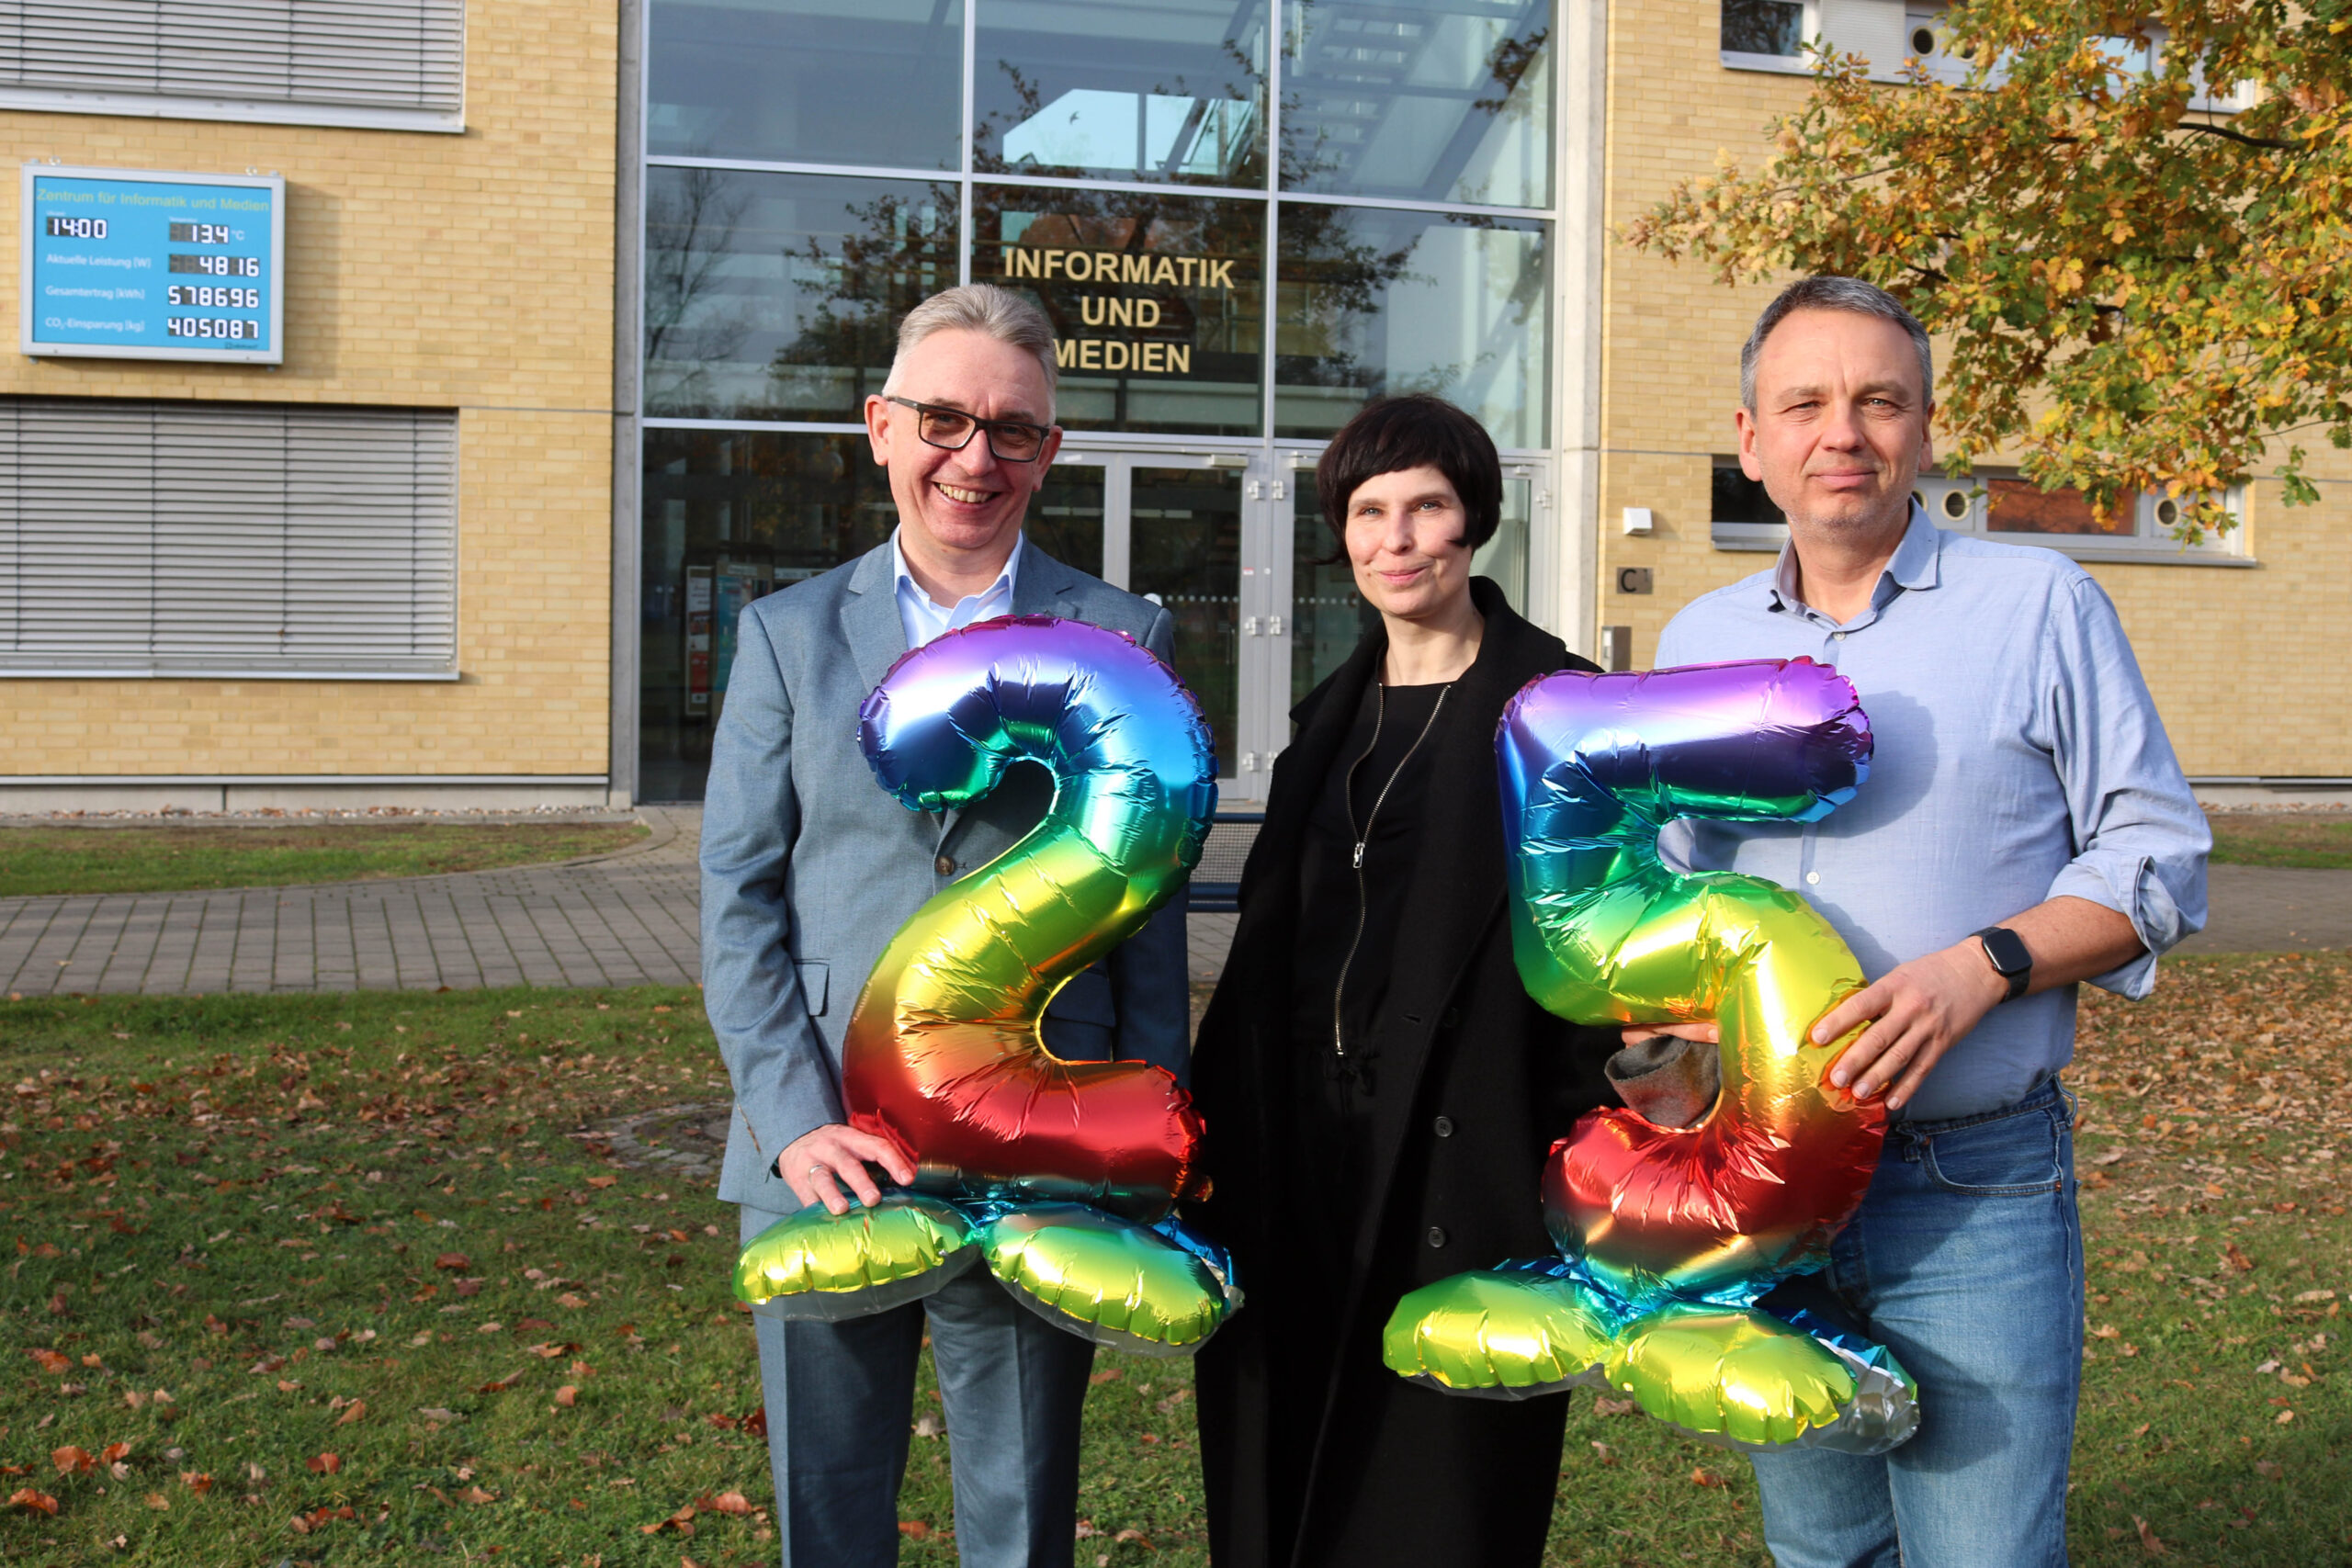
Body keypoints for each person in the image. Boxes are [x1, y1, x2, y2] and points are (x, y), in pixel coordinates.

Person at [1649, 276, 2210, 1567]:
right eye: (1806, 403)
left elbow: (2159, 855)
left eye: (1877, 399)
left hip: (1972, 1180)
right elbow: (1672, 874)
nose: (1841, 431)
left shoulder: (2041, 604)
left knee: (1982, 1553)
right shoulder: (1698, 639)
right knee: (1821, 1547)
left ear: (1927, 428)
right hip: (1768, 1174)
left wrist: (1987, 965)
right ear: (1752, 439)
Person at [700, 283, 1191, 1568]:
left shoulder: (1122, 633)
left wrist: (1133, 1134)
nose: (975, 457)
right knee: (827, 1503)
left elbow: (1148, 905)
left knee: (1023, 1511)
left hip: (1041, 1136)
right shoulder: (788, 634)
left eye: (1012, 428)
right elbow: (739, 893)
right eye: (943, 418)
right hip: (826, 1149)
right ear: (880, 426)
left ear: (1051, 450)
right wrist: (791, 1114)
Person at [1189, 394, 1618, 1568]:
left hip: (1465, 1159)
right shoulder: (1325, 720)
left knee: (1441, 1506)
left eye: (1425, 506)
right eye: (1369, 512)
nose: (1397, 538)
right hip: (1296, 1155)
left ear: (1472, 519)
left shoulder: (1560, 713)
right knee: (1280, 1481)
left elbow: (1601, 960)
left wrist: (1575, 1163)